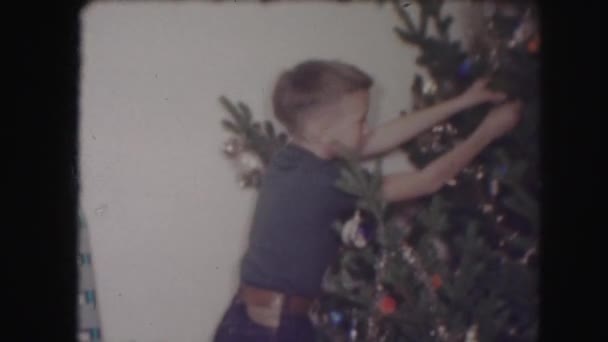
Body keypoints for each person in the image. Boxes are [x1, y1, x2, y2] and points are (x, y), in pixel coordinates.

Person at [212, 59, 520, 342]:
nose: (368, 128)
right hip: (275, 331)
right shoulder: (324, 183)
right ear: (323, 130)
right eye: (361, 120)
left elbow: (380, 138)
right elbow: (429, 180)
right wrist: (488, 132)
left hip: (250, 319)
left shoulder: (293, 157)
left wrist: (466, 100)